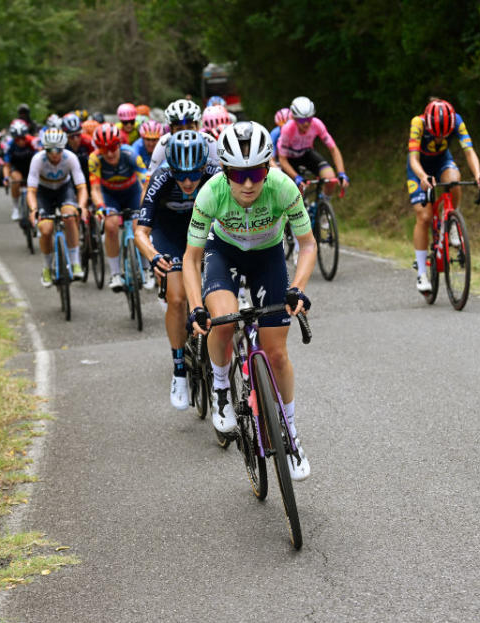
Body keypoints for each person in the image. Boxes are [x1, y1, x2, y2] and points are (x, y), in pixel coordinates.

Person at [182, 121, 315, 481]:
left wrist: (298, 287)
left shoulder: (284, 187)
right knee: (223, 320)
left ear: (268, 167)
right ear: (224, 171)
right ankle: (222, 388)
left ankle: (290, 435)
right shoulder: (210, 193)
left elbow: (307, 245)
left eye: (257, 171)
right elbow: (191, 259)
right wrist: (196, 306)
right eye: (238, 174)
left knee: (276, 353)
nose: (248, 183)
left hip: (268, 256)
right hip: (223, 252)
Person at [136, 131, 220, 409]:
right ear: (170, 168)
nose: (187, 181)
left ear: (203, 167)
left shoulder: (215, 172)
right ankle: (179, 371)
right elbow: (140, 231)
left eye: (194, 175)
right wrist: (153, 255)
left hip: (202, 225)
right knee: (176, 297)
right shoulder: (160, 177)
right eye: (180, 175)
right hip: (168, 231)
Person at [406, 98, 480, 292]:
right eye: (435, 135)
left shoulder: (457, 120)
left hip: (442, 161)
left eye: (443, 136)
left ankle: (451, 222)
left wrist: (478, 176)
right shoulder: (417, 123)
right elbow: (413, 158)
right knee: (424, 216)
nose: (438, 139)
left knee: (454, 180)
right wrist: (423, 176)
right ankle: (421, 274)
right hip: (419, 167)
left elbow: (469, 151)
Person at [87, 123, 147, 291]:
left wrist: (146, 203)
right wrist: (100, 206)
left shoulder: (131, 154)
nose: (110, 153)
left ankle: (146, 268)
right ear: (98, 149)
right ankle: (115, 274)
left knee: (139, 226)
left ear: (119, 144)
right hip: (110, 196)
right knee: (111, 226)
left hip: (133, 193)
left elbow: (146, 182)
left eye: (113, 147)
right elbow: (95, 188)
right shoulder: (94, 159)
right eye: (104, 149)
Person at [27, 128, 89, 285]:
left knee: (70, 215)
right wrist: (33, 209)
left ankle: (75, 263)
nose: (54, 153)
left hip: (64, 189)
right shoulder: (38, 160)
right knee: (46, 229)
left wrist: (81, 207)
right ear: (44, 149)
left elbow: (81, 187)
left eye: (58, 149)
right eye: (50, 150)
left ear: (63, 148)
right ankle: (47, 267)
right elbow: (31, 191)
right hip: (44, 193)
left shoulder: (70, 158)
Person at [277, 96, 349, 198]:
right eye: (302, 120)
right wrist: (296, 177)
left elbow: (333, 149)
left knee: (330, 178)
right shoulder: (288, 129)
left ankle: (322, 206)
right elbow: (282, 160)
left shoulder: (317, 124)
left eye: (309, 119)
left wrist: (342, 173)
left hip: (306, 154)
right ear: (294, 119)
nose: (306, 123)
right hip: (289, 159)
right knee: (295, 191)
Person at [148, 99, 219, 174]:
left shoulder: (209, 141)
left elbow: (221, 175)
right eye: (179, 129)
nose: (185, 134)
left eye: (190, 127)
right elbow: (150, 174)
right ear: (171, 130)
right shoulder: (163, 143)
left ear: (197, 127)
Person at [2, 119, 40, 220]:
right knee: (16, 179)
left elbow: (41, 158)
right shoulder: (9, 145)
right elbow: (6, 165)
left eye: (23, 138)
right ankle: (15, 208)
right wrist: (6, 178)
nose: (21, 141)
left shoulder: (33, 141)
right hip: (17, 168)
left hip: (31, 167)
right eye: (17, 139)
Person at [62, 112, 93, 182]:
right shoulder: (61, 145)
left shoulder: (88, 141)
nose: (76, 140)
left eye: (78, 135)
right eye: (71, 136)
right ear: (65, 136)